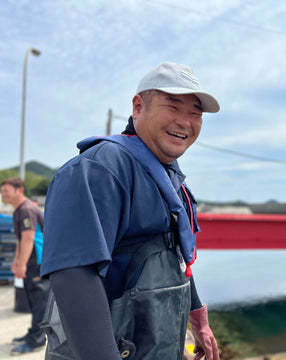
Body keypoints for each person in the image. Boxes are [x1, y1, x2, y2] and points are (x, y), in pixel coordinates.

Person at [40, 62, 220, 360]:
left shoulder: (167, 176)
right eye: (173, 107)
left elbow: (174, 253)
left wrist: (196, 315)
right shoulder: (100, 169)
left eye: (195, 114)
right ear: (138, 107)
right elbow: (75, 275)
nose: (185, 122)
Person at [0, 177, 50, 355]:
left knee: (39, 303)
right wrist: (16, 260)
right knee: (32, 300)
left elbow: (29, 238)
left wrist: (22, 264)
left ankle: (37, 340)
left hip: (36, 261)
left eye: (7, 190)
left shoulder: (27, 209)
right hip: (29, 261)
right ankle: (34, 333)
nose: (3, 194)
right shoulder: (18, 210)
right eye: (2, 191)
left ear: (19, 190)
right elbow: (21, 239)